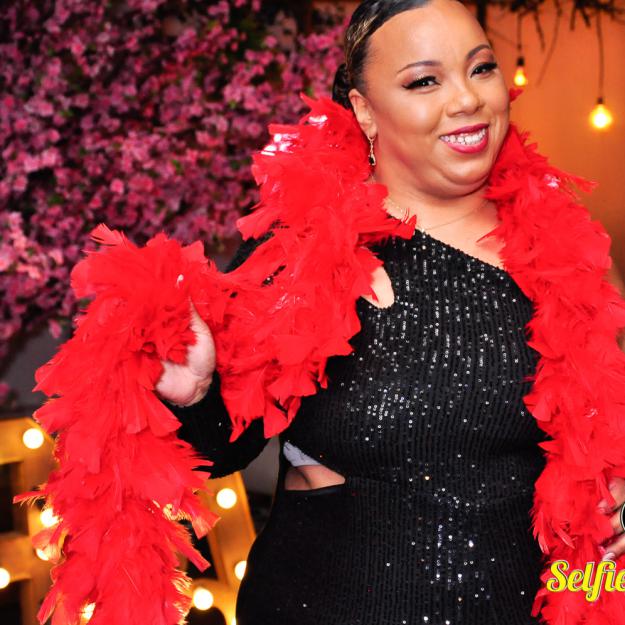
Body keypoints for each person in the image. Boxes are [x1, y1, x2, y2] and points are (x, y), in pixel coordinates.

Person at [154, 1, 622, 623]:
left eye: (480, 69)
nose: (467, 99)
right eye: (424, 80)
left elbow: (600, 434)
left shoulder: (562, 248)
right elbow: (216, 453)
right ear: (365, 110)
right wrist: (194, 395)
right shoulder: (300, 247)